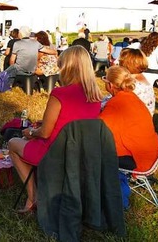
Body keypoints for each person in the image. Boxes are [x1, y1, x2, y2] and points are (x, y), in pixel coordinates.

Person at [8, 45, 103, 213]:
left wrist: (31, 132)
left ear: (67, 68)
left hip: (55, 152)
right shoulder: (95, 96)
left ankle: (32, 197)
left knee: (14, 143)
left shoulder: (61, 94)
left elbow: (45, 133)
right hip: (81, 152)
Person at [100, 66, 158, 172]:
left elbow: (99, 130)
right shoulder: (132, 97)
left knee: (90, 149)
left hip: (138, 159)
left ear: (110, 85)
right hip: (152, 152)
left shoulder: (116, 104)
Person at [118, 48, 156, 115]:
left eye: (120, 62)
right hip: (145, 120)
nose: (118, 64)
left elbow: (113, 102)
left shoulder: (131, 84)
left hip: (133, 120)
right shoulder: (142, 79)